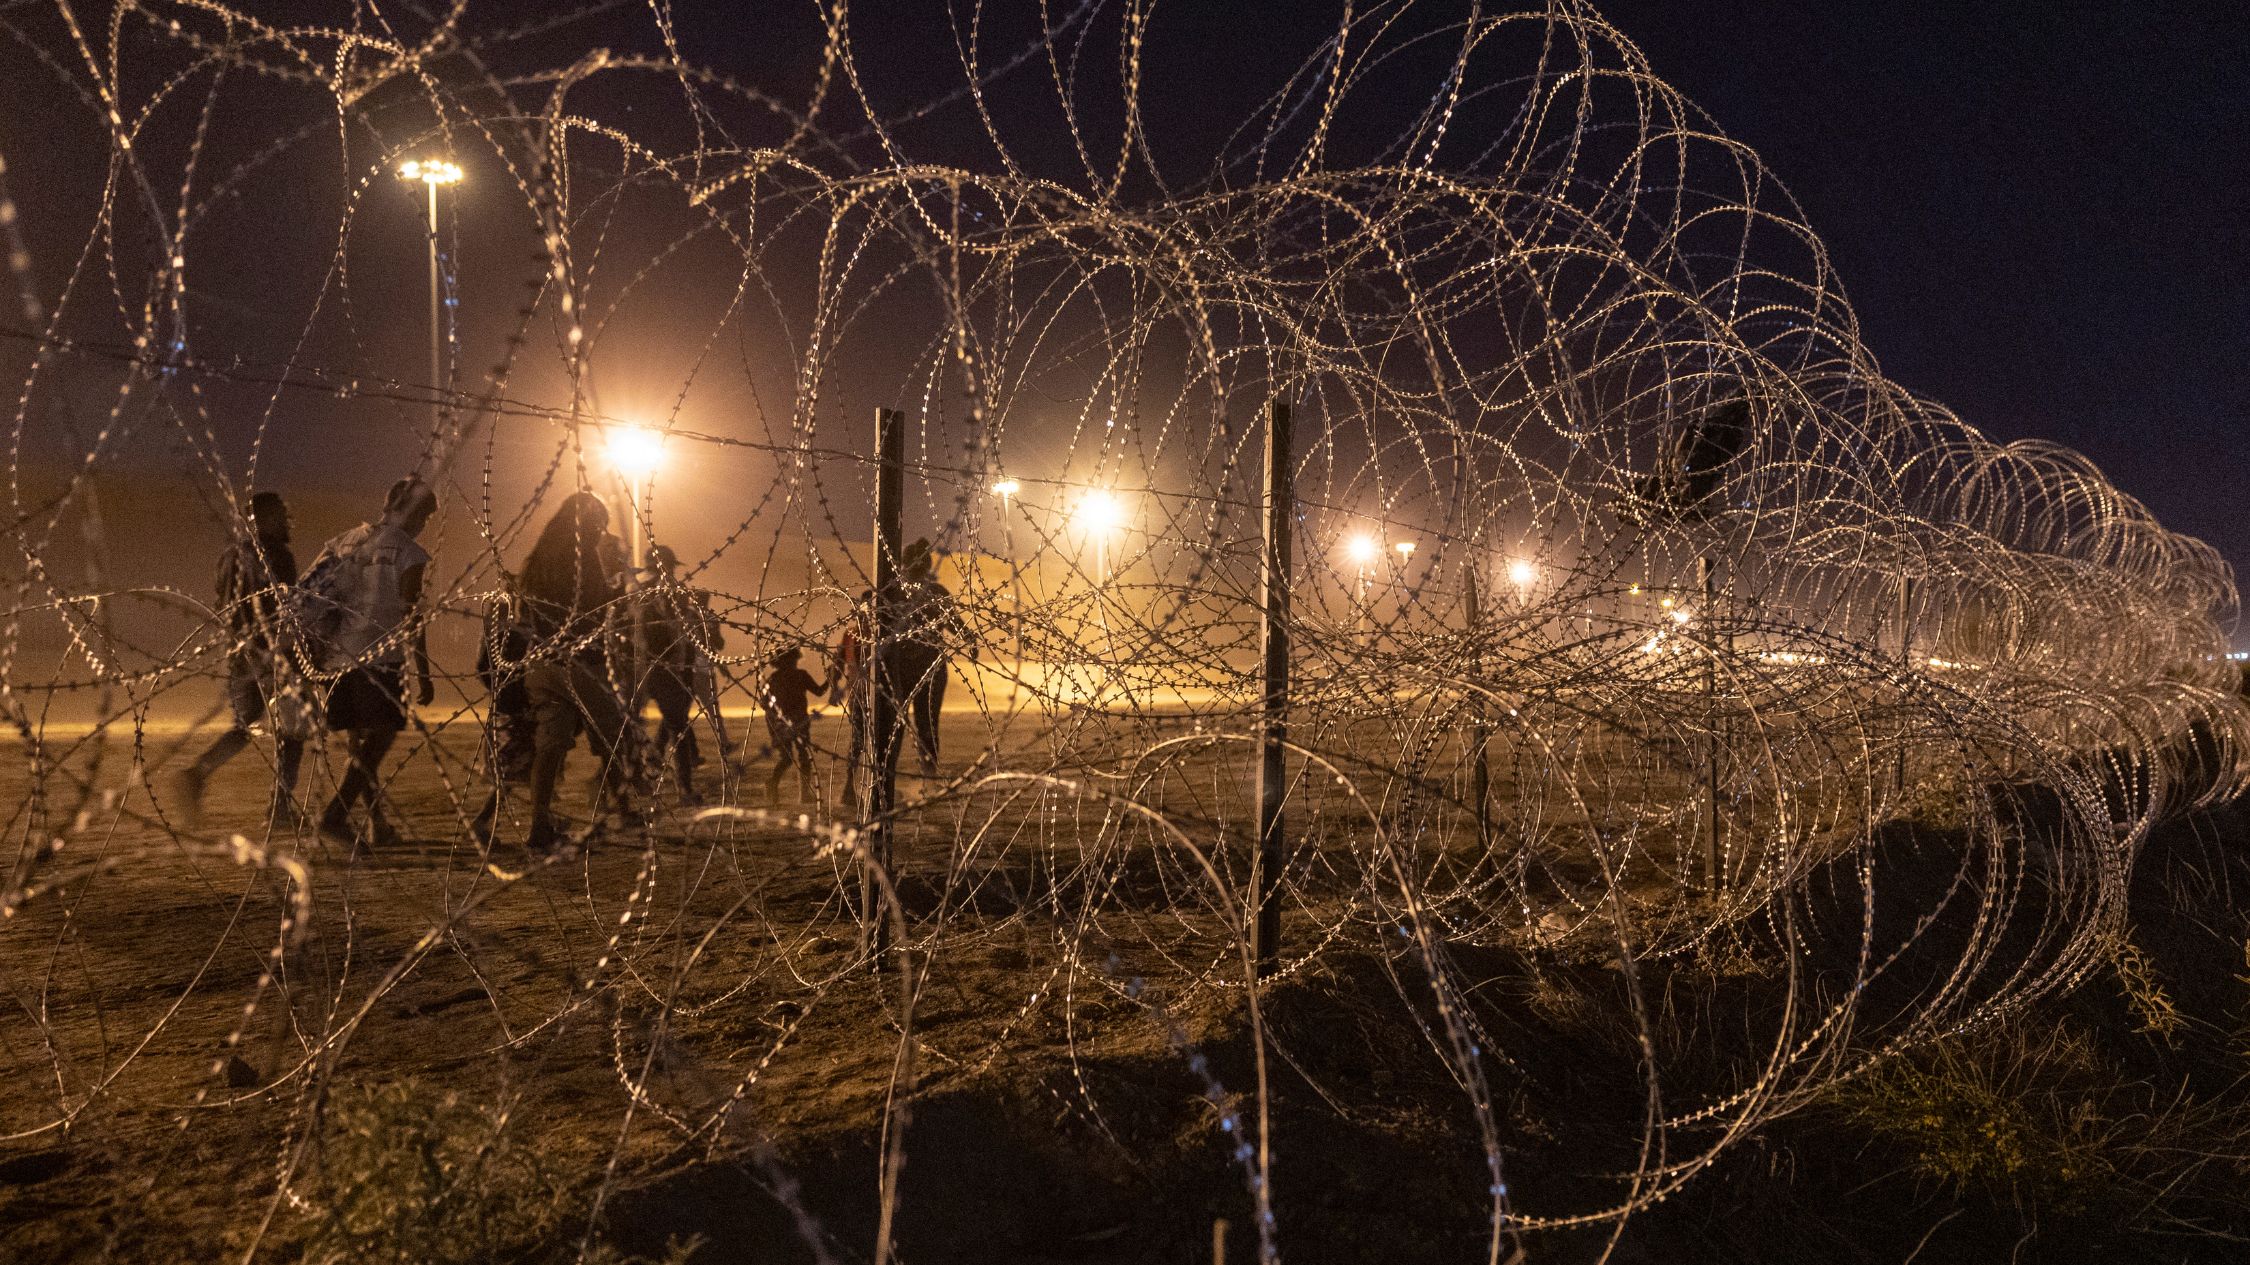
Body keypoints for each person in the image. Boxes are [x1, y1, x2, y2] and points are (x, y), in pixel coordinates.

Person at [307, 477, 439, 849]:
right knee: (379, 737)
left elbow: (312, 593)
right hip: (381, 658)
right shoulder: (408, 553)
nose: (422, 525)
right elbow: (411, 617)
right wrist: (423, 673)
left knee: (361, 745)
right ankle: (335, 815)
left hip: (338, 658)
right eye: (424, 517)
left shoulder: (344, 542)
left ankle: (377, 824)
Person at [172, 491, 308, 828]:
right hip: (273, 654)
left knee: (245, 726)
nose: (286, 523)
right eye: (280, 516)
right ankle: (279, 808)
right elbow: (285, 611)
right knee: (294, 730)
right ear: (267, 519)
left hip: (239, 653)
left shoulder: (229, 557)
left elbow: (223, 607)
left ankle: (197, 773)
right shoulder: (277, 556)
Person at [515, 491, 640, 852]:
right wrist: (618, 587)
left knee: (550, 745)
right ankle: (624, 810)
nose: (601, 533)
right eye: (599, 525)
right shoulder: (583, 561)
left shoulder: (536, 560)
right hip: (581, 662)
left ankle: (540, 823)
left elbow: (524, 616)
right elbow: (597, 614)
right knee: (612, 736)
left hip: (540, 662)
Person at [879, 538, 971, 776]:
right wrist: (970, 640)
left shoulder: (894, 592)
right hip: (928, 668)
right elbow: (955, 625)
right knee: (926, 723)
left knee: (897, 724)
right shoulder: (932, 593)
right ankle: (927, 772)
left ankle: (888, 773)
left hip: (902, 668)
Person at [642, 543, 723, 804]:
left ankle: (649, 761)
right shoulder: (667, 592)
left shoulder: (636, 589)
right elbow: (676, 635)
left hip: (647, 666)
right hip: (668, 668)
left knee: (664, 722)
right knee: (678, 726)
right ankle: (684, 789)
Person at [761, 646, 830, 803]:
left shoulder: (773, 679)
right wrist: (831, 679)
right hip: (796, 721)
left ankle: (777, 786)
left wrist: (775, 716)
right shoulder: (799, 675)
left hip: (781, 723)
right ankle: (801, 793)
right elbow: (819, 691)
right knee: (801, 755)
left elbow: (763, 703)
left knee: (788, 757)